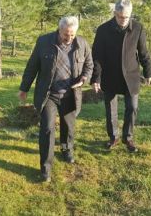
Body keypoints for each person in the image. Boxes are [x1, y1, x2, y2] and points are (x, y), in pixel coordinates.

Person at [18, 16, 93, 183]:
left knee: (68, 126)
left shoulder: (82, 44)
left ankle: (67, 150)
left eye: (72, 35)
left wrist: (83, 79)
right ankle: (46, 167)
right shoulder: (44, 42)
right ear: (58, 30)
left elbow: (89, 64)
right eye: (66, 34)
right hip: (48, 94)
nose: (69, 38)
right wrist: (24, 88)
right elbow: (32, 66)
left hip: (70, 93)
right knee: (47, 129)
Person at [91, 0, 151, 153]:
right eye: (120, 16)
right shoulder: (103, 29)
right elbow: (97, 56)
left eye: (126, 17)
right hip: (110, 75)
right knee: (110, 109)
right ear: (115, 13)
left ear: (130, 14)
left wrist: (148, 72)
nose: (123, 20)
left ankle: (128, 137)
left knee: (132, 107)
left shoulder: (138, 28)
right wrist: (96, 78)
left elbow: (144, 53)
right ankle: (113, 137)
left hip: (131, 76)